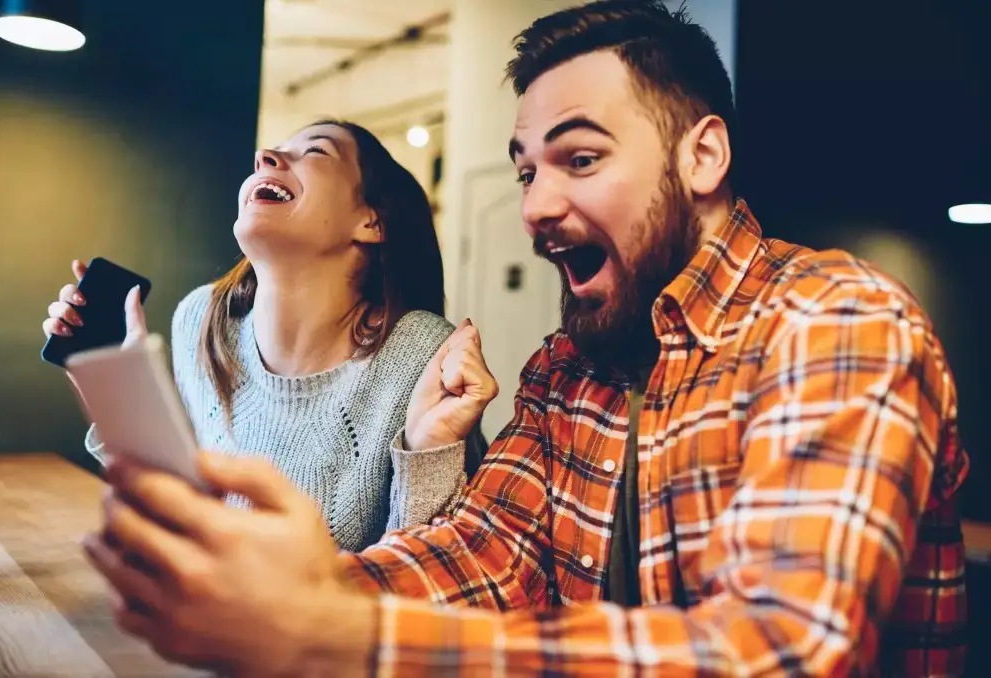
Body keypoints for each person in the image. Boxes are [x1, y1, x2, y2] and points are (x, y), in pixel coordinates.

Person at [81, 2, 970, 676]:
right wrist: (296, 589)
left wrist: (327, 629)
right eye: (524, 171)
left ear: (701, 157)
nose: (536, 207)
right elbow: (482, 547)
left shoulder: (832, 320)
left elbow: (780, 647)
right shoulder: (563, 370)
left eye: (579, 159)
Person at [44, 119, 494, 552]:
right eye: (272, 152)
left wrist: (429, 454)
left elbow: (432, 566)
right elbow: (178, 513)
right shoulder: (201, 321)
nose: (265, 157)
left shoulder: (419, 354)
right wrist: (119, 401)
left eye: (314, 150)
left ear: (371, 222)